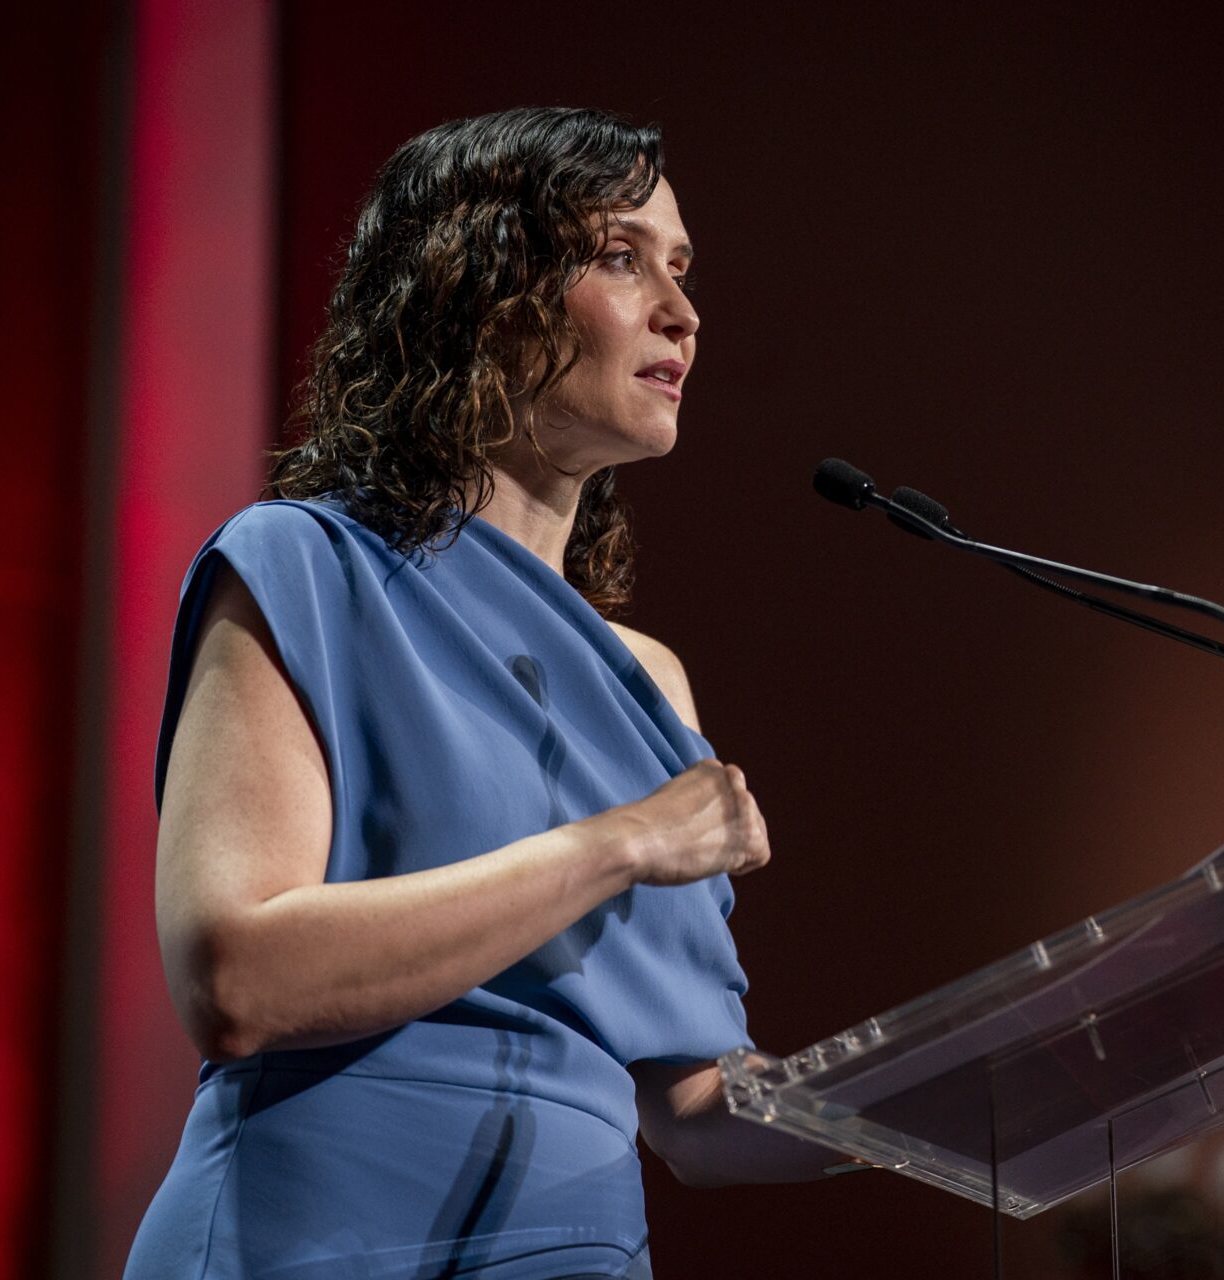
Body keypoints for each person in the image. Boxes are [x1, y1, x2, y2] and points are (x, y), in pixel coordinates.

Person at [124, 107, 834, 1280]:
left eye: (682, 267)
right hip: (305, 1236)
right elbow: (236, 977)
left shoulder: (652, 682)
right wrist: (618, 843)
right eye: (620, 256)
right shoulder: (306, 567)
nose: (682, 312)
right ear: (482, 289)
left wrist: (942, 1101)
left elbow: (694, 1112)